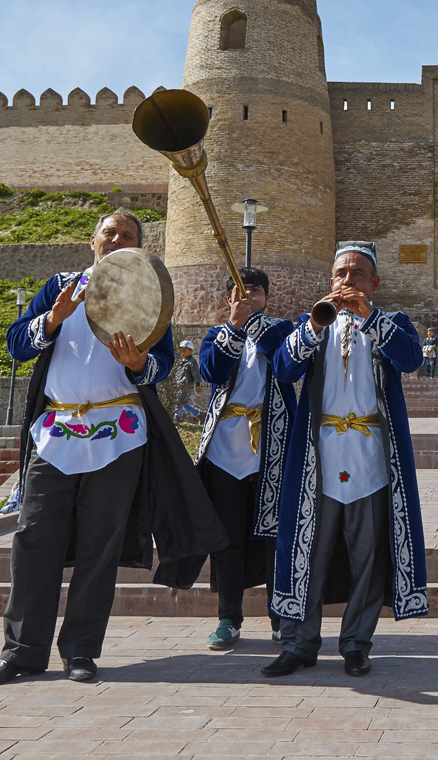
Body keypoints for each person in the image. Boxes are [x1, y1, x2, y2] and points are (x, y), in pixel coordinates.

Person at [0, 210, 225, 688]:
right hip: (57, 430)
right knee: (32, 541)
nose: (116, 239)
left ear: (139, 246)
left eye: (128, 235)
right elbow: (16, 346)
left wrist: (138, 362)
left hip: (119, 434)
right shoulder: (59, 286)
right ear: (93, 240)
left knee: (99, 546)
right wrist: (51, 320)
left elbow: (162, 366)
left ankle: (81, 651)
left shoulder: (149, 289)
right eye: (109, 232)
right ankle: (22, 653)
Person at [263, 241, 429, 678]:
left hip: (371, 455)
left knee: (367, 555)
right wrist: (314, 327)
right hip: (319, 457)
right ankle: (300, 642)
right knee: (309, 552)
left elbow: (411, 359)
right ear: (329, 280)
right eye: (340, 273)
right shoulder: (313, 323)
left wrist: (369, 318)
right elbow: (282, 369)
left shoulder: (391, 322)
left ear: (374, 283)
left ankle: (356, 643)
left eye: (357, 274)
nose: (347, 280)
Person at [194, 267, 297, 652]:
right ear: (227, 300)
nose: (248, 297)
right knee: (228, 540)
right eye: (240, 291)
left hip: (271, 449)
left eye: (255, 291)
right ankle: (228, 619)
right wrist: (235, 328)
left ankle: (280, 618)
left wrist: (256, 323)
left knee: (273, 538)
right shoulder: (216, 336)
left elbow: (288, 362)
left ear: (266, 297)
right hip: (225, 450)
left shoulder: (281, 331)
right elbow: (212, 371)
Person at [173, 339, 203, 422]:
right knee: (182, 403)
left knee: (179, 401)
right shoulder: (181, 362)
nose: (182, 352)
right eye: (181, 350)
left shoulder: (192, 362)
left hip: (187, 386)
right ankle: (199, 414)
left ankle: (178, 416)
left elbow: (196, 374)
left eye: (184, 350)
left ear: (191, 350)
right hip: (180, 385)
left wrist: (197, 385)